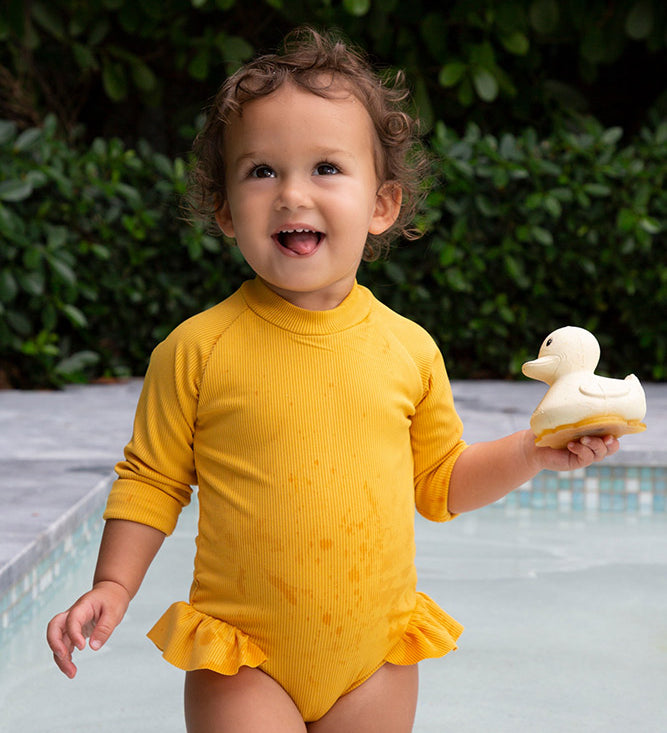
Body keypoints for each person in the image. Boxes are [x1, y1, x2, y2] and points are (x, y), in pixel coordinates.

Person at [46, 27, 619, 733]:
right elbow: (153, 478)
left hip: (372, 660)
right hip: (243, 659)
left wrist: (532, 451)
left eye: (324, 167)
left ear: (381, 205)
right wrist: (113, 583)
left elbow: (439, 483)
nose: (291, 193)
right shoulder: (195, 349)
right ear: (225, 209)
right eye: (260, 171)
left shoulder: (408, 350)